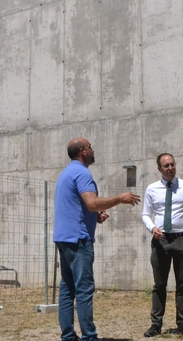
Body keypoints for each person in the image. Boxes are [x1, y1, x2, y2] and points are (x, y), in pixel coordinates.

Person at [53, 138, 141, 341]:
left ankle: (68, 336)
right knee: (84, 289)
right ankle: (89, 337)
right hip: (78, 240)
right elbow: (92, 203)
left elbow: (77, 206)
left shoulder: (66, 173)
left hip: (63, 238)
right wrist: (120, 198)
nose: (93, 150)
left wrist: (93, 217)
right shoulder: (82, 173)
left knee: (67, 288)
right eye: (91, 147)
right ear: (83, 151)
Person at [141, 153, 183, 338]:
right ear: (159, 168)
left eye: (172, 165)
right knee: (159, 284)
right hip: (161, 241)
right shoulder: (152, 189)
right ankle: (156, 324)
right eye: (166, 166)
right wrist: (152, 227)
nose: (170, 168)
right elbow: (145, 214)